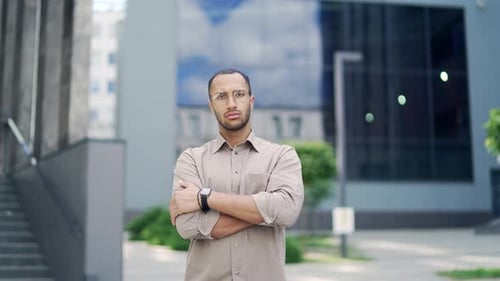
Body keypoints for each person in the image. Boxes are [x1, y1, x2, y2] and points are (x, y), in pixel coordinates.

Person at [169, 68, 304, 281]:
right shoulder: (191, 159)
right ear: (210, 105)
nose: (231, 103)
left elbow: (287, 210)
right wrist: (263, 210)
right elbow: (186, 226)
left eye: (239, 94)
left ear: (251, 100)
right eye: (221, 96)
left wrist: (205, 198)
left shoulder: (281, 156)